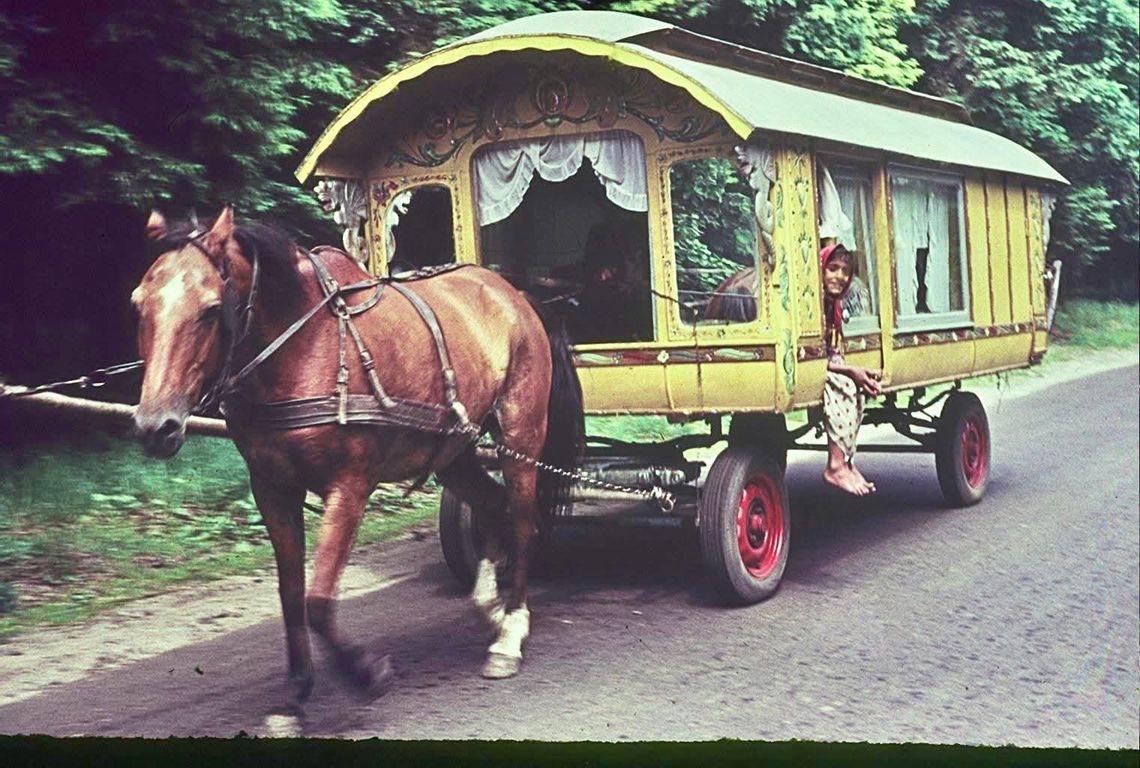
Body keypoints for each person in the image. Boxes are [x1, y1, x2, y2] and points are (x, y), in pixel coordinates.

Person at [820, 244, 882, 496]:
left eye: (845, 271)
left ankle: (846, 461)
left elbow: (831, 351)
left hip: (824, 361)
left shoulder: (833, 304)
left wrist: (854, 370)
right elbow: (814, 355)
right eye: (832, 269)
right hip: (808, 364)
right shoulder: (813, 305)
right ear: (821, 271)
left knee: (858, 388)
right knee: (844, 384)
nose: (839, 276)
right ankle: (834, 466)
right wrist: (849, 371)